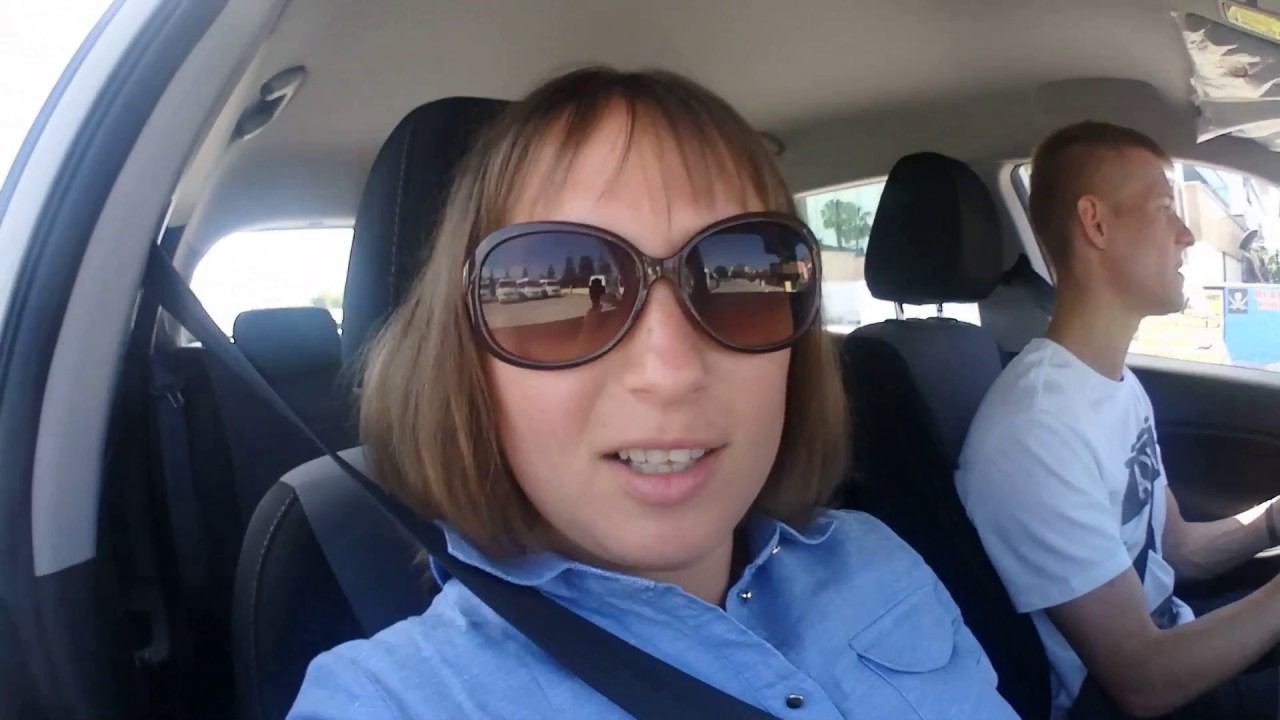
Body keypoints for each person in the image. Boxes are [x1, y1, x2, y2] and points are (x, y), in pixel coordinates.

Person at [288, 68, 1015, 719]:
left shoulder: (875, 560)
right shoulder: (389, 700)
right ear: (466, 363)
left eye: (739, 275)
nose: (670, 372)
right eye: (559, 286)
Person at [957, 120, 1280, 720]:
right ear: (1096, 223)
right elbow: (1141, 681)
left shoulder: (1115, 386)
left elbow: (1176, 550)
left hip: (1178, 637)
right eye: (1164, 208)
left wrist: (1270, 522)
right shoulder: (1035, 430)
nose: (1186, 234)